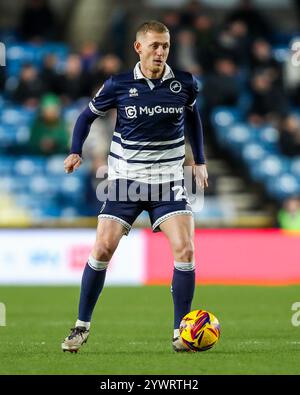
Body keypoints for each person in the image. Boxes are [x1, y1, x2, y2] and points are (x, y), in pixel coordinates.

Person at [61, 20, 208, 353]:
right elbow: (86, 116)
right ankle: (81, 327)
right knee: (101, 249)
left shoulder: (185, 83)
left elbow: (193, 118)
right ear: (138, 48)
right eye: (154, 45)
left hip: (169, 182)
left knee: (185, 250)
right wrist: (75, 151)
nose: (160, 52)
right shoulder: (118, 84)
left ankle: (180, 332)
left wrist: (199, 159)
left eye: (165, 46)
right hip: (126, 182)